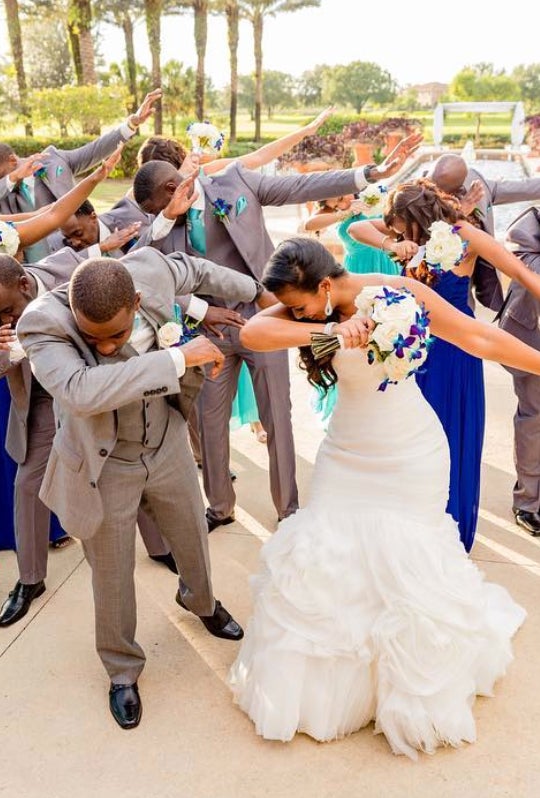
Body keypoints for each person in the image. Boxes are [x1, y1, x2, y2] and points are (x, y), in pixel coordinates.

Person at [226, 235, 540, 758]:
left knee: (405, 562)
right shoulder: (313, 313)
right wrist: (330, 327)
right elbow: (254, 333)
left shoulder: (396, 295)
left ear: (324, 284)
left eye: (301, 305)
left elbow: (478, 338)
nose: (296, 316)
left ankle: (404, 685)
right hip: (346, 452)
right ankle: (336, 687)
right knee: (324, 552)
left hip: (409, 452)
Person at [16, 245, 270, 729]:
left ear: (135, 302)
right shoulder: (41, 323)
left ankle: (200, 602)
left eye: (115, 335)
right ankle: (122, 669)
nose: (107, 348)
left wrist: (256, 291)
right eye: (96, 340)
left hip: (168, 441)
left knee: (193, 535)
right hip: (104, 462)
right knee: (111, 575)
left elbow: (197, 269)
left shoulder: (150, 269)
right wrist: (177, 357)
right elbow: (81, 392)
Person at [132, 133, 423, 531]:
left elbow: (300, 187)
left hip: (265, 318)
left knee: (277, 417)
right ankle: (219, 507)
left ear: (172, 187)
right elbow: (146, 272)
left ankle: (288, 508)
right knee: (209, 420)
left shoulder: (236, 181)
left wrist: (370, 173)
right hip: (207, 329)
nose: (161, 217)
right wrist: (166, 223)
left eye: (162, 209)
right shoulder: (161, 223)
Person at [348, 179, 540, 552]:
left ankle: (448, 525)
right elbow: (357, 227)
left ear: (414, 217)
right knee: (411, 432)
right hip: (413, 346)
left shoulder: (464, 234)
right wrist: (392, 243)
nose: (398, 231)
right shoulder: (407, 234)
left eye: (400, 226)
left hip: (455, 350)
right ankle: (412, 516)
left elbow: (519, 272)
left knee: (451, 431)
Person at [0, 146, 132, 627]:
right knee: (27, 482)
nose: (7, 320)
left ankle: (163, 548)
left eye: (6, 312)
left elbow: (55, 219)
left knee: (131, 467)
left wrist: (96, 179)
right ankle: (30, 578)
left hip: (89, 386)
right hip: (35, 400)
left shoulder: (50, 273)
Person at [0, 89, 162, 262]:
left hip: (81, 252)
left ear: (12, 160)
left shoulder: (53, 161)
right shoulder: (2, 192)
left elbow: (94, 151)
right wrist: (11, 179)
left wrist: (131, 124)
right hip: (35, 270)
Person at [303, 194, 400, 421]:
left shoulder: (374, 197)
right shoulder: (333, 213)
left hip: (387, 268)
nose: (340, 198)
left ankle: (388, 392)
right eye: (334, 198)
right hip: (356, 274)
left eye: (343, 193)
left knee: (390, 332)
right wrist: (343, 213)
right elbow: (307, 225)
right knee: (357, 337)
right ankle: (353, 400)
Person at [430, 153, 540, 311]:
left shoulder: (477, 185)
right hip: (428, 293)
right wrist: (455, 215)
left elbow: (525, 187)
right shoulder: (413, 197)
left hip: (462, 295)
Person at [499, 206, 540, 535]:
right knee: (534, 418)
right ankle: (528, 502)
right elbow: (523, 259)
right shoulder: (528, 226)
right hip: (533, 340)